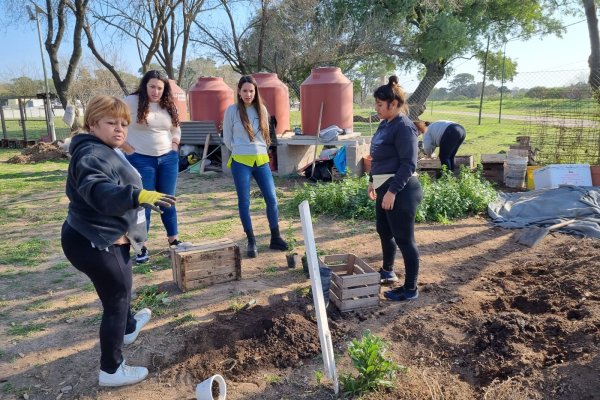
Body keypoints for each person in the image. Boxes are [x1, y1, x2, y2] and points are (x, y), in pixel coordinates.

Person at [61, 95, 176, 386]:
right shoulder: (90, 155)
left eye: (123, 123)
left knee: (120, 289)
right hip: (93, 240)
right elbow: (98, 190)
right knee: (116, 298)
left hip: (106, 235)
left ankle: (128, 326)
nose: (119, 129)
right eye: (111, 122)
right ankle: (111, 370)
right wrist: (136, 195)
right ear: (92, 123)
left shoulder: (104, 147)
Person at [368, 76, 423, 301]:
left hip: (401, 190)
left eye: (380, 105)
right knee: (384, 230)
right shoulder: (385, 124)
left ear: (394, 104)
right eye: (376, 105)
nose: (377, 109)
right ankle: (388, 271)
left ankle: (410, 288)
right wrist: (372, 181)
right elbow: (379, 156)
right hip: (384, 186)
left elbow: (408, 164)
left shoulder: (404, 128)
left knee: (404, 239)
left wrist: (392, 191)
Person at [223, 75, 287, 258]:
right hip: (241, 162)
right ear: (239, 91)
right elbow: (227, 138)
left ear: (255, 91)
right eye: (245, 91)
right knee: (244, 202)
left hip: (261, 161)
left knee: (272, 199)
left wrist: (260, 150)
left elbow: (266, 136)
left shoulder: (262, 110)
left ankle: (275, 237)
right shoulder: (232, 111)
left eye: (251, 90)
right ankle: (251, 241)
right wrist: (240, 149)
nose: (248, 94)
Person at [121, 70, 182, 264]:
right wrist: (126, 148)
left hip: (168, 159)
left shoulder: (168, 104)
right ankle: (141, 246)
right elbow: (116, 124)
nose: (155, 91)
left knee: (167, 200)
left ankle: (174, 241)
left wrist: (174, 145)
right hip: (140, 160)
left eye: (160, 88)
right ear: (144, 85)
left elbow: (176, 127)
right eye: (152, 86)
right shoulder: (130, 102)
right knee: (143, 204)